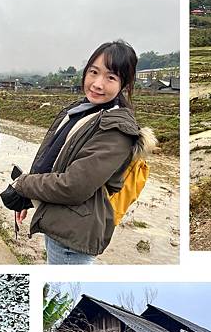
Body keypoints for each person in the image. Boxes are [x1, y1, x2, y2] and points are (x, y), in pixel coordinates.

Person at [8, 40, 156, 265]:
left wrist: (23, 184)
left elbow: (73, 186)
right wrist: (29, 198)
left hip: (73, 237)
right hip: (59, 221)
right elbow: (53, 160)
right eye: (93, 72)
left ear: (123, 85)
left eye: (111, 77)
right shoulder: (83, 111)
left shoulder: (116, 130)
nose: (97, 84)